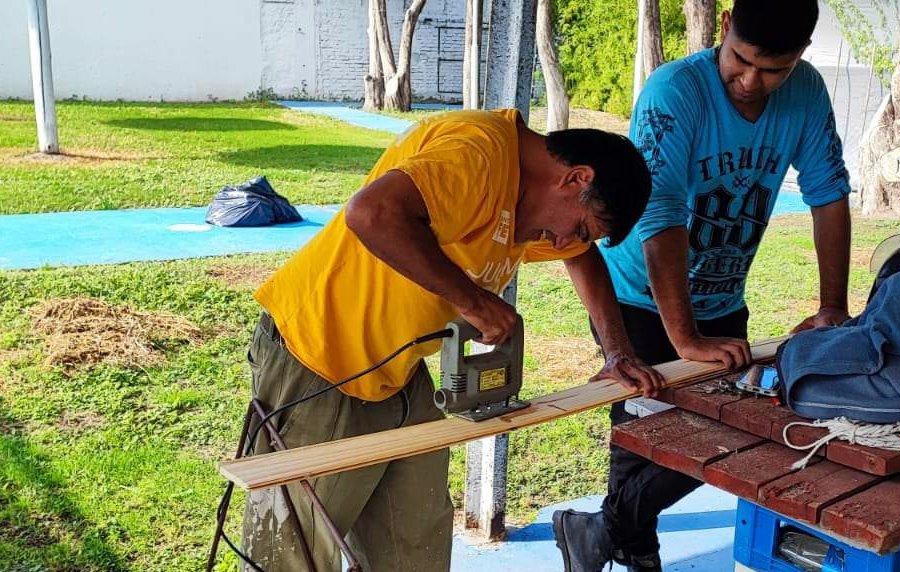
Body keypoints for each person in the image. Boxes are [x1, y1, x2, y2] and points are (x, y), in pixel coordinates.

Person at [238, 108, 664, 572]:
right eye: (579, 228)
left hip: (395, 371)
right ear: (575, 178)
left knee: (415, 540)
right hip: (317, 353)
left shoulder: (530, 195)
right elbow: (374, 213)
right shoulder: (479, 153)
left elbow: (584, 260)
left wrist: (618, 350)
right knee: (292, 549)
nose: (562, 243)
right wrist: (474, 301)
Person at [552, 1, 852, 570]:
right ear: (723, 30)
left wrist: (832, 304)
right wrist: (684, 338)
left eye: (773, 70)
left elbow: (828, 192)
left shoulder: (808, 92)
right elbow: (660, 216)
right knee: (645, 428)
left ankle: (604, 530)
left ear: (800, 58)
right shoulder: (675, 91)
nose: (750, 81)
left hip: (722, 297)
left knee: (731, 433)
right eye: (740, 60)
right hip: (638, 297)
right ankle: (636, 548)